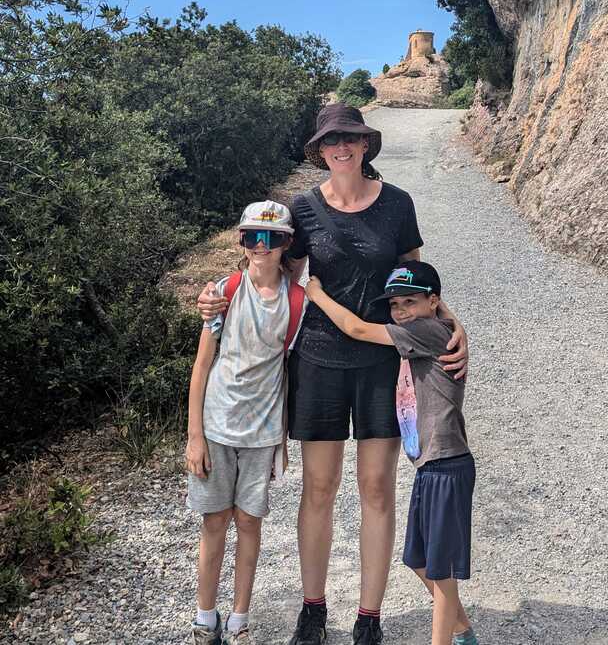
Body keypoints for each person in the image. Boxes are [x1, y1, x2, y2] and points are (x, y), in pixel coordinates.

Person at [198, 103, 468, 645]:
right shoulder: (302, 208)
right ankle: (313, 610)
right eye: (330, 140)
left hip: (381, 364)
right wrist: (216, 294)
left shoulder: (397, 204)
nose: (341, 147)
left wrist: (449, 319)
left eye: (350, 137)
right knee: (318, 489)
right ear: (319, 150)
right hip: (317, 362)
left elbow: (415, 274)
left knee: (376, 489)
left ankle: (369, 619)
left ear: (365, 144)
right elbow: (269, 263)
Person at [304, 260, 478, 645]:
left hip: (446, 463)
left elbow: (355, 328)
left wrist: (315, 294)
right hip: (431, 465)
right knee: (419, 561)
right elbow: (429, 310)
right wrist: (448, 313)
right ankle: (464, 632)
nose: (401, 312)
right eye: (395, 305)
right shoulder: (433, 324)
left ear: (433, 302)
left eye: (410, 302)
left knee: (440, 568)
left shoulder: (426, 330)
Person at [186, 200, 304, 645]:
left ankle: (239, 619)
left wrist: (284, 441)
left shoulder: (298, 301)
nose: (262, 245)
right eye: (253, 236)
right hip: (216, 426)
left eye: (273, 238)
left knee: (250, 523)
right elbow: (202, 366)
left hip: (262, 433)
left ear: (287, 244)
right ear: (241, 240)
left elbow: (291, 371)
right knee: (214, 521)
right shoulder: (224, 290)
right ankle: (204, 617)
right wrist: (194, 436)